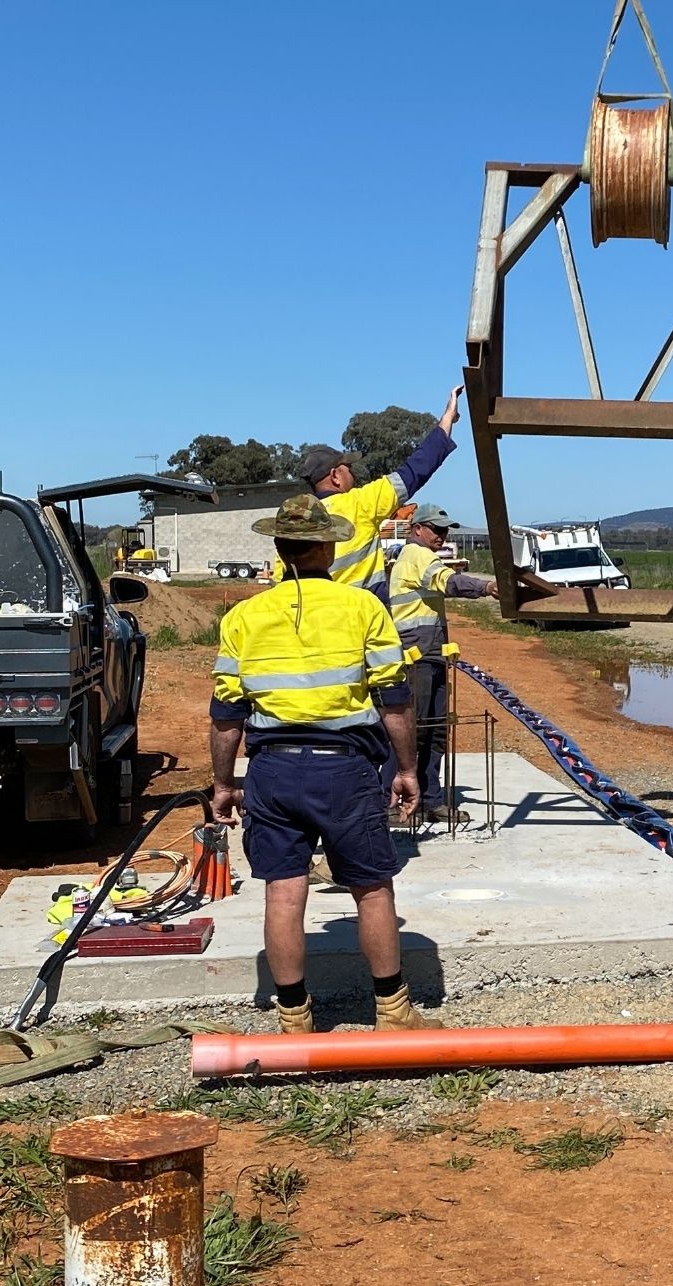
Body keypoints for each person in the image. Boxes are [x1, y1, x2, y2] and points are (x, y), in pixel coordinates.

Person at [207, 494, 441, 1034]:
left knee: (284, 890)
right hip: (344, 772)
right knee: (372, 887)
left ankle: (294, 1020)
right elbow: (395, 698)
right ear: (328, 548)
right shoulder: (363, 609)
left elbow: (226, 713)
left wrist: (222, 782)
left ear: (279, 547)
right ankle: (393, 1013)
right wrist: (407, 769)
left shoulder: (243, 618)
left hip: (272, 772)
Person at [289, 386, 466, 605]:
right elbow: (417, 469)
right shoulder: (360, 503)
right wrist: (448, 417)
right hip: (362, 617)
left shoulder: (294, 522)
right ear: (335, 476)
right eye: (348, 468)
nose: (353, 473)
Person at [386, 505, 498, 815]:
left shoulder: (419, 556)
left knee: (435, 730)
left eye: (445, 530)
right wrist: (487, 587)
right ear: (417, 529)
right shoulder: (417, 555)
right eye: (436, 529)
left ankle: (430, 799)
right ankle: (391, 801)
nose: (442, 535)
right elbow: (448, 582)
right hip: (416, 656)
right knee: (413, 729)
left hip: (431, 654)